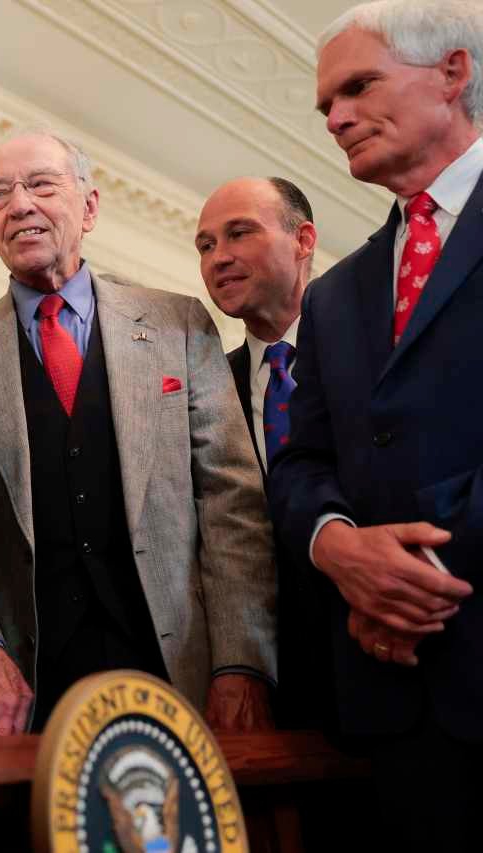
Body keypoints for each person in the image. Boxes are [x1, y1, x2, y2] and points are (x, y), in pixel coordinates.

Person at [0, 129, 277, 733]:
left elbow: (232, 503)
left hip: (177, 665)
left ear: (89, 207)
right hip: (31, 680)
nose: (19, 204)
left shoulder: (179, 324)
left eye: (41, 185)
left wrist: (240, 662)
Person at [271, 1, 483, 844]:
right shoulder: (333, 296)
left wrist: (399, 581)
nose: (335, 118)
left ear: (453, 73)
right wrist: (338, 549)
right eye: (326, 105)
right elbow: (299, 464)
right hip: (397, 715)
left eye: (357, 87)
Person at [194, 177, 322, 727]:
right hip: (261, 678)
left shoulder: (371, 353)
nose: (218, 258)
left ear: (303, 240)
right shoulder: (204, 387)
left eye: (239, 233)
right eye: (205, 245)